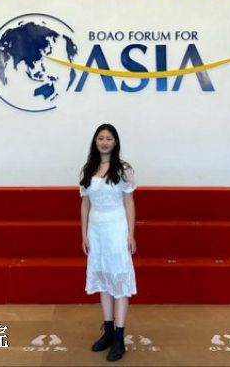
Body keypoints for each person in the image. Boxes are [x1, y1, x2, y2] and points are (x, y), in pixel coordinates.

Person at [79, 123, 137, 362]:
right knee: (103, 280)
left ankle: (119, 337)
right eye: (101, 138)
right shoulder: (88, 169)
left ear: (115, 142)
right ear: (95, 141)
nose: (104, 142)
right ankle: (108, 331)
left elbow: (129, 202)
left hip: (116, 228)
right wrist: (84, 234)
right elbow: (85, 203)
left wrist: (130, 234)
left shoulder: (124, 169)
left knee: (119, 282)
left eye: (109, 138)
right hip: (96, 230)